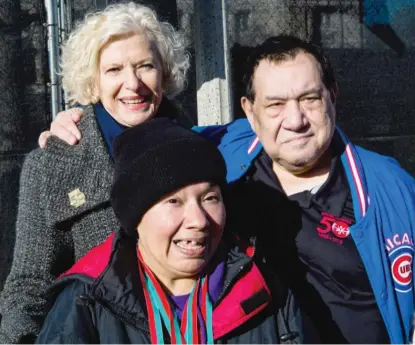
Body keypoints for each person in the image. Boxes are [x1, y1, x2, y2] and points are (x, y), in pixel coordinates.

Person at [43, 35, 415, 344]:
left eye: (310, 99)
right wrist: (81, 129)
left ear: (333, 95)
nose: (296, 120)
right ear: (249, 111)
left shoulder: (390, 190)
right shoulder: (222, 154)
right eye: (276, 104)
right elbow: (149, 155)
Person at [0, 2, 189, 343]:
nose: (133, 84)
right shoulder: (50, 165)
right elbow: (28, 286)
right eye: (114, 70)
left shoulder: (201, 151)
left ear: (165, 71)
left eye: (145, 66)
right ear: (93, 80)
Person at [35, 118, 301, 344]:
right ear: (135, 217)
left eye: (210, 198)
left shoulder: (265, 288)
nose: (198, 220)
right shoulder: (86, 301)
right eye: (173, 201)